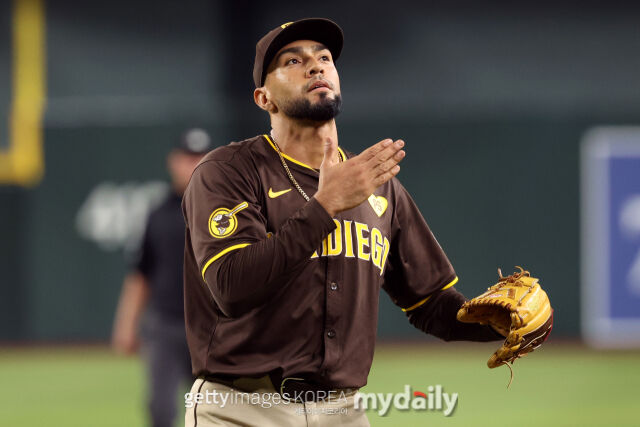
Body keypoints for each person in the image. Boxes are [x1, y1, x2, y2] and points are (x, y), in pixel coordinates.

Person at [182, 18, 502, 426]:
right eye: (293, 61)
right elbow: (231, 286)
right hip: (241, 407)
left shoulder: (377, 185)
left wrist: (498, 323)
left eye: (324, 58)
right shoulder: (228, 171)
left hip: (342, 411)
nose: (315, 66)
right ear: (264, 98)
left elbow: (430, 303)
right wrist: (325, 205)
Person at [111, 128, 212, 427]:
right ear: (173, 161)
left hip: (212, 328)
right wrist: (126, 324)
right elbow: (141, 273)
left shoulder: (228, 210)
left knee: (214, 410)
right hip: (165, 325)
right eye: (188, 157)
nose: (193, 164)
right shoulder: (157, 213)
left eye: (200, 157)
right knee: (160, 409)